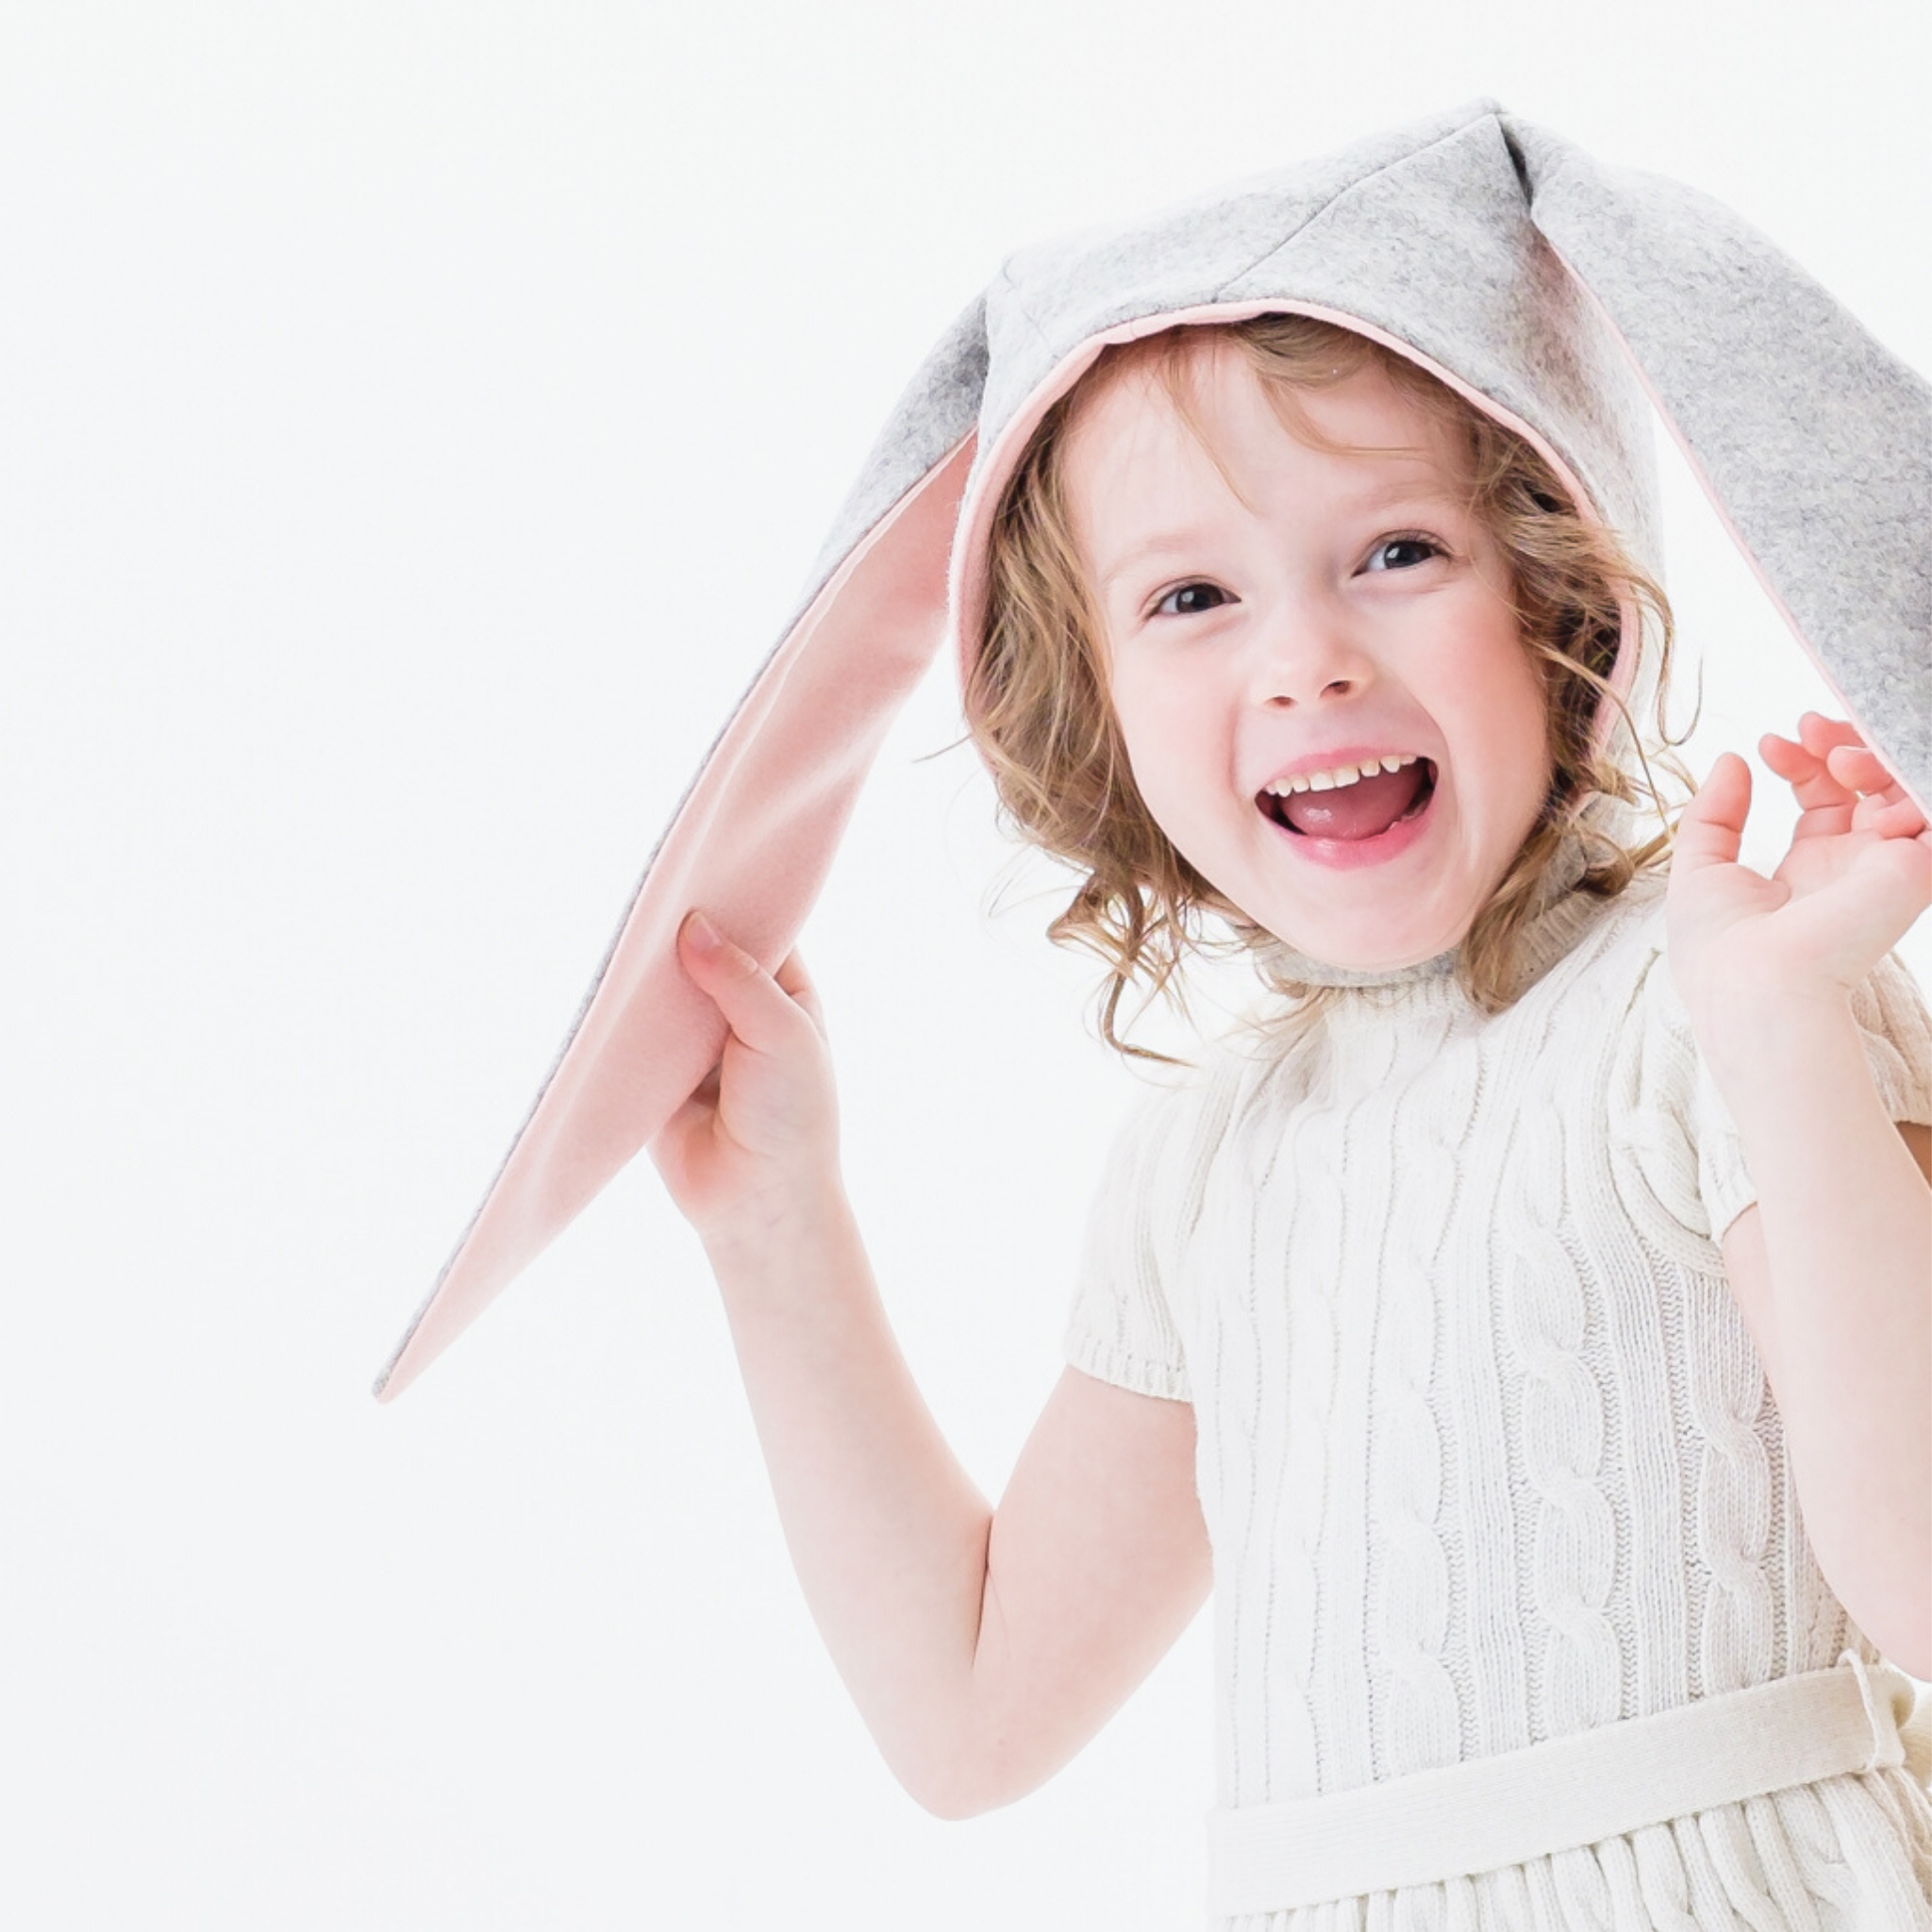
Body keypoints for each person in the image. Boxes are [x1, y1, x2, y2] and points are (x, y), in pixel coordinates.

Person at [389, 104, 1932, 1928]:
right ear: (1091, 705)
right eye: (1192, 596)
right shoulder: (1211, 1167)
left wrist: (1782, 1033)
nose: (1305, 656)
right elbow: (971, 1717)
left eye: (1396, 553)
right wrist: (777, 1228)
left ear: (1559, 593)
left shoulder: (1723, 1003)